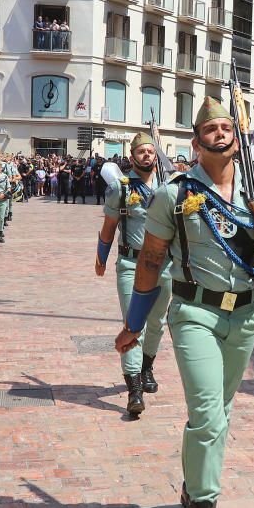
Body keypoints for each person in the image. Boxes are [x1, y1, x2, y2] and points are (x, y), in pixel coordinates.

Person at [114, 97, 254, 508]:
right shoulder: (175, 193)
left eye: (226, 127)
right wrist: (134, 322)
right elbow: (150, 261)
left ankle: (193, 486)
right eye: (209, 128)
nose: (220, 133)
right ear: (196, 141)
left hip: (246, 315)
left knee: (221, 414)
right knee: (208, 416)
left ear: (238, 137)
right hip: (193, 313)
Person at [97, 133, 174, 416]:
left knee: (157, 323)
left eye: (150, 151)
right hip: (131, 264)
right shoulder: (121, 188)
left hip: (163, 266)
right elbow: (108, 226)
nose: (146, 156)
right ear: (132, 157)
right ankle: (134, 390)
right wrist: (101, 258)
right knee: (133, 323)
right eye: (140, 152)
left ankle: (146, 367)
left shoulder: (168, 188)